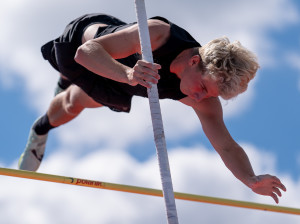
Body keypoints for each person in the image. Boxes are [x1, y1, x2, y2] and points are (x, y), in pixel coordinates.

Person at [18, 13, 286, 203]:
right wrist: (127, 74)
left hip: (132, 78)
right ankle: (65, 79)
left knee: (73, 104)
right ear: (194, 61)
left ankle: (39, 130)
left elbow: (227, 145)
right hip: (90, 47)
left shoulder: (204, 100)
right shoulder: (158, 35)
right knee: (72, 94)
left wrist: (249, 179)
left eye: (208, 95)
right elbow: (86, 52)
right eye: (202, 87)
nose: (199, 96)